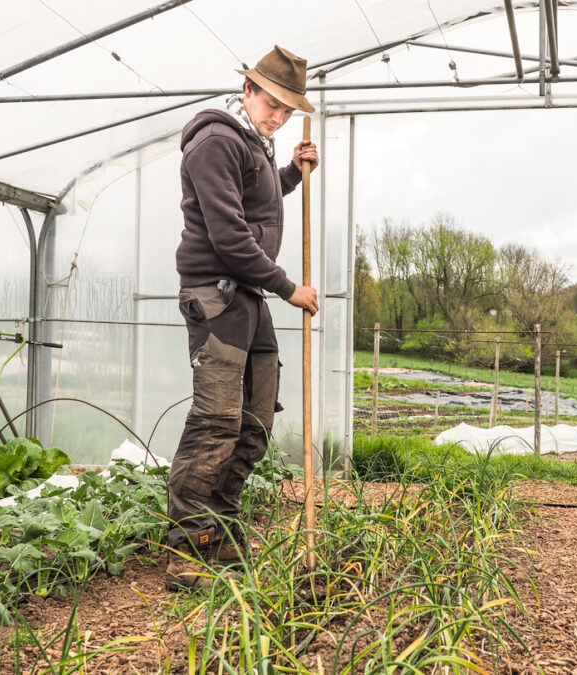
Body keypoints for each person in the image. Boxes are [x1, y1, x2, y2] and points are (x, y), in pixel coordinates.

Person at [165, 45, 319, 588]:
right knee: (214, 425)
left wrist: (292, 175)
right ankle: (186, 558)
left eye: (287, 109)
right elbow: (230, 236)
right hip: (219, 295)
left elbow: (258, 199)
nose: (278, 115)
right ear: (247, 90)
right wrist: (289, 288)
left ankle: (220, 534)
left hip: (248, 297)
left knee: (254, 425)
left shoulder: (250, 145)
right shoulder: (214, 141)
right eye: (272, 102)